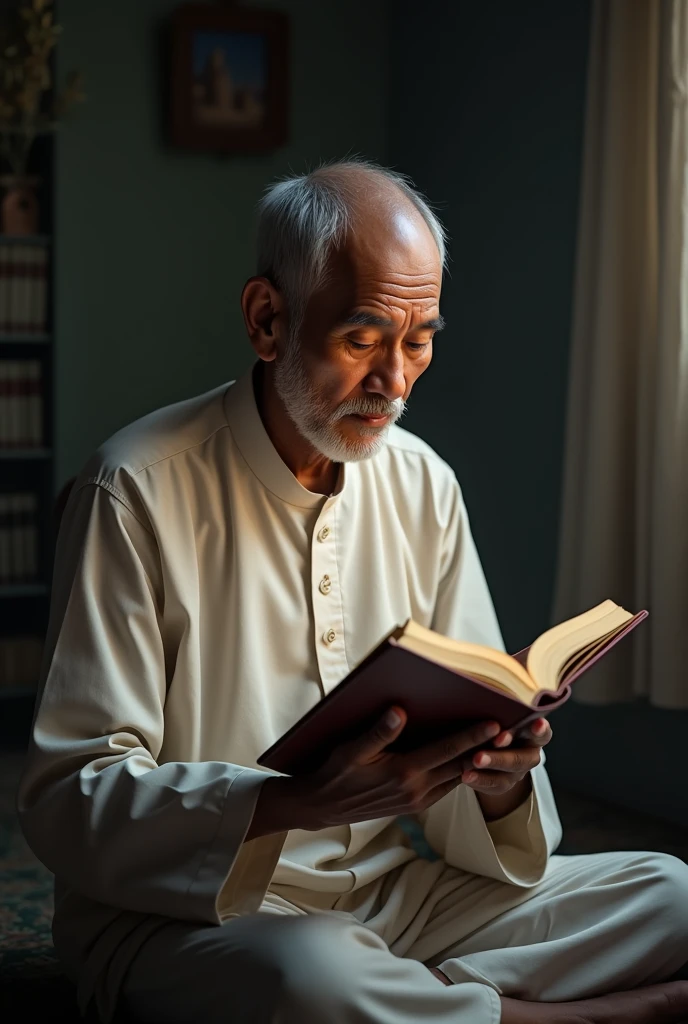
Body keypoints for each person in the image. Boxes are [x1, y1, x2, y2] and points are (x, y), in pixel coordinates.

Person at [17, 159, 688, 1024]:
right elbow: (72, 794)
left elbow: (480, 712)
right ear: (268, 320)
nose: (396, 383)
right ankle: (575, 1019)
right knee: (311, 981)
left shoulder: (423, 484)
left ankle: (416, 1006)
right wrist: (285, 800)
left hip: (394, 896)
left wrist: (500, 778)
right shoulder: (136, 488)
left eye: (419, 341)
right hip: (190, 918)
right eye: (364, 339)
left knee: (669, 890)